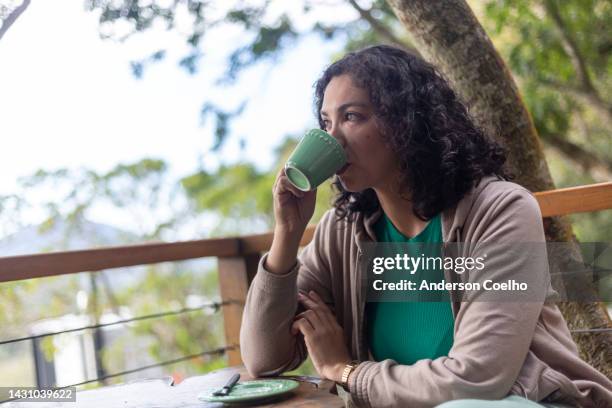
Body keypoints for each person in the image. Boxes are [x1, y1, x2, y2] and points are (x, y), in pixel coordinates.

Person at [239, 45, 612, 408]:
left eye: (352, 116)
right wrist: (286, 235)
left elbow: (477, 380)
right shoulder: (343, 229)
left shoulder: (501, 210)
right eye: (326, 122)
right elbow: (263, 360)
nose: (333, 137)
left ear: (407, 121)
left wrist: (347, 371)